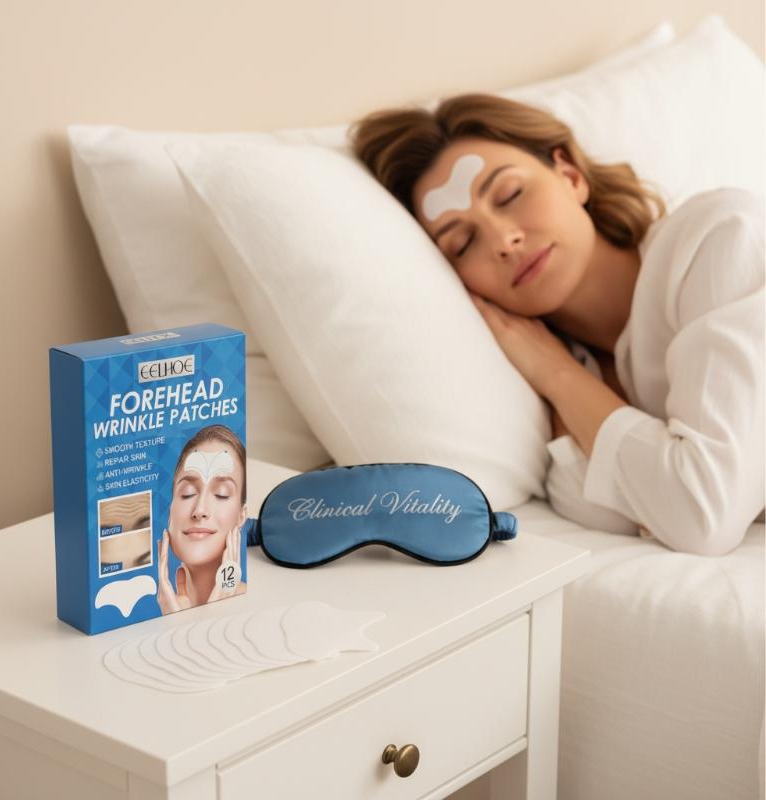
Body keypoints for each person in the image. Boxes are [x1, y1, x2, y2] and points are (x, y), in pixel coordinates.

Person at [349, 93, 764, 556]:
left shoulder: (722, 237)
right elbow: (594, 506)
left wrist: (557, 374)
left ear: (570, 175)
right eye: (463, 243)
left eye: (510, 194)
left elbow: (701, 516)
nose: (504, 240)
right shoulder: (564, 381)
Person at [157, 424, 247, 614]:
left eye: (222, 494)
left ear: (242, 516)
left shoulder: (255, 610)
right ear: (170, 511)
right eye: (187, 493)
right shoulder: (157, 614)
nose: (199, 510)